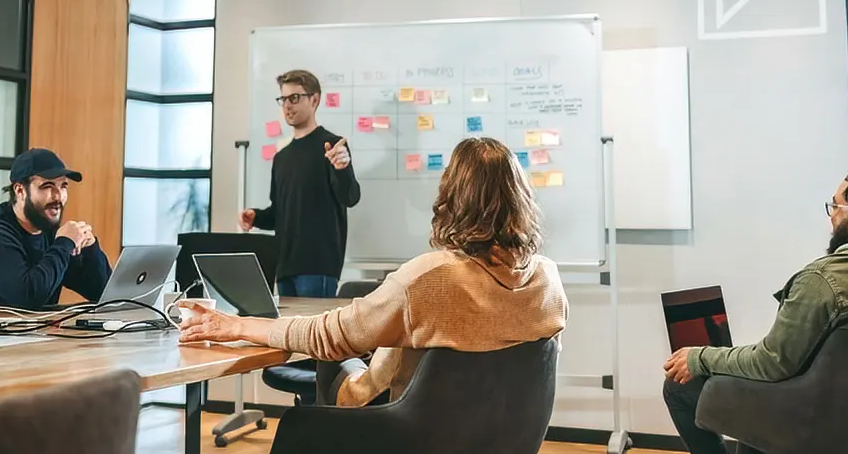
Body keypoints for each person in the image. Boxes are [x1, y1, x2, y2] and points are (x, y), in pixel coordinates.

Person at [187, 137, 568, 407]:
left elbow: (326, 337)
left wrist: (237, 326)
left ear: (452, 197)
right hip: (498, 434)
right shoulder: (547, 280)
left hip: (396, 428)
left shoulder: (430, 277)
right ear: (521, 196)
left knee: (336, 355)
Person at [662, 163, 848, 454]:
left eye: (835, 207)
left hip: (812, 421)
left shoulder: (825, 279)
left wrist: (699, 357)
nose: (832, 217)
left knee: (679, 385)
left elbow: (772, 362)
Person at [240, 69, 360, 298]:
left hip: (318, 266)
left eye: (294, 98)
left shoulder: (332, 146)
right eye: (283, 99)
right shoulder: (281, 157)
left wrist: (343, 168)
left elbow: (350, 197)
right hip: (284, 266)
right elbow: (279, 214)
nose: (287, 105)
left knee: (316, 323)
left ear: (314, 100)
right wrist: (256, 217)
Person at [0, 148, 111, 310]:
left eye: (63, 186)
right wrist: (63, 243)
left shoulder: (50, 233)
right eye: (47, 186)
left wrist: (90, 249)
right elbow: (29, 297)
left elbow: (103, 294)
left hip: (25, 327)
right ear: (20, 190)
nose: (58, 196)